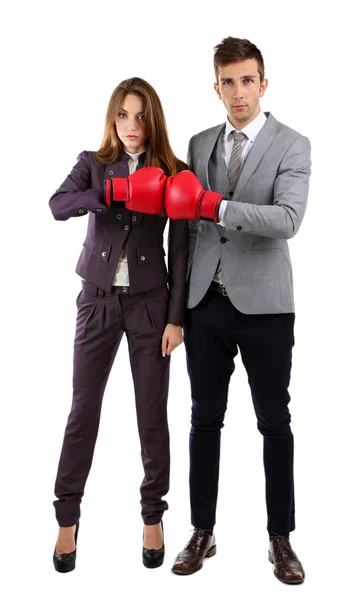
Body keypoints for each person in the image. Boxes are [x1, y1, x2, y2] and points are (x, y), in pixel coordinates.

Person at [165, 37, 311, 584]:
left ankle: (281, 538)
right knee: (204, 420)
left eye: (247, 80)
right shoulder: (200, 143)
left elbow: (288, 219)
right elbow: (184, 231)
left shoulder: (292, 145)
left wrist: (218, 205)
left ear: (263, 84)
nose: (238, 91)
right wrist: (177, 309)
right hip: (206, 304)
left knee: (275, 422)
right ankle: (202, 531)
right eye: (228, 81)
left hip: (267, 308)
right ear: (217, 87)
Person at [49, 77, 189, 572]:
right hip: (97, 301)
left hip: (153, 305)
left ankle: (153, 515)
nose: (132, 125)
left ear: (153, 119)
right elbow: (57, 205)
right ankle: (67, 519)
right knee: (83, 410)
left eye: (142, 115)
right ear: (113, 117)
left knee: (152, 414)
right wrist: (108, 192)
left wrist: (178, 320)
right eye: (124, 114)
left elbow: (184, 251)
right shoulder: (92, 163)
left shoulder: (173, 171)